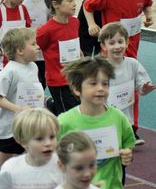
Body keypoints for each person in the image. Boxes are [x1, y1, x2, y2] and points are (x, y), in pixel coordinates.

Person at [83, 0, 153, 142]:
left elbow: (147, 3)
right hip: (111, 51)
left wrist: (148, 16)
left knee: (131, 87)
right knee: (108, 86)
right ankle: (103, 123)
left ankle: (131, 127)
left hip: (131, 50)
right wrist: (91, 24)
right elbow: (88, 5)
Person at [58, 57, 135, 189]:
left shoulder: (118, 117)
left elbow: (128, 142)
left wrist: (127, 153)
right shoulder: (64, 122)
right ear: (77, 89)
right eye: (93, 83)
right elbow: (55, 157)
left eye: (105, 84)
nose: (101, 88)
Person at [0, 28, 45, 168]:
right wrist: (18, 108)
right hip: (8, 127)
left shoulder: (33, 67)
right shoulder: (8, 72)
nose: (38, 47)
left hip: (27, 125)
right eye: (33, 44)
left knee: (31, 162)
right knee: (4, 165)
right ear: (20, 50)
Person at [100, 23, 155, 146]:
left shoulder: (133, 64)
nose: (117, 46)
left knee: (124, 156)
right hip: (104, 119)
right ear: (103, 46)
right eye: (112, 43)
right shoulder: (100, 68)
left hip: (126, 119)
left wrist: (145, 88)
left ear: (127, 43)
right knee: (107, 154)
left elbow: (141, 90)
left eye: (120, 42)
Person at [0, 108, 62, 188]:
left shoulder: (65, 166)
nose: (48, 143)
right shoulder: (10, 169)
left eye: (52, 137)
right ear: (23, 141)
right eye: (39, 139)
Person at [36, 0, 81, 115]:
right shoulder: (45, 30)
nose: (74, 3)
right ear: (55, 4)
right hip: (58, 80)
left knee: (78, 109)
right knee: (68, 116)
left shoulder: (75, 22)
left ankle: (53, 105)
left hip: (75, 77)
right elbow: (40, 48)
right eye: (69, 0)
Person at [22, 0, 49, 89]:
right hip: (25, 49)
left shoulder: (47, 1)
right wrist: (33, 31)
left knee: (41, 84)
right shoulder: (22, 1)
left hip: (42, 50)